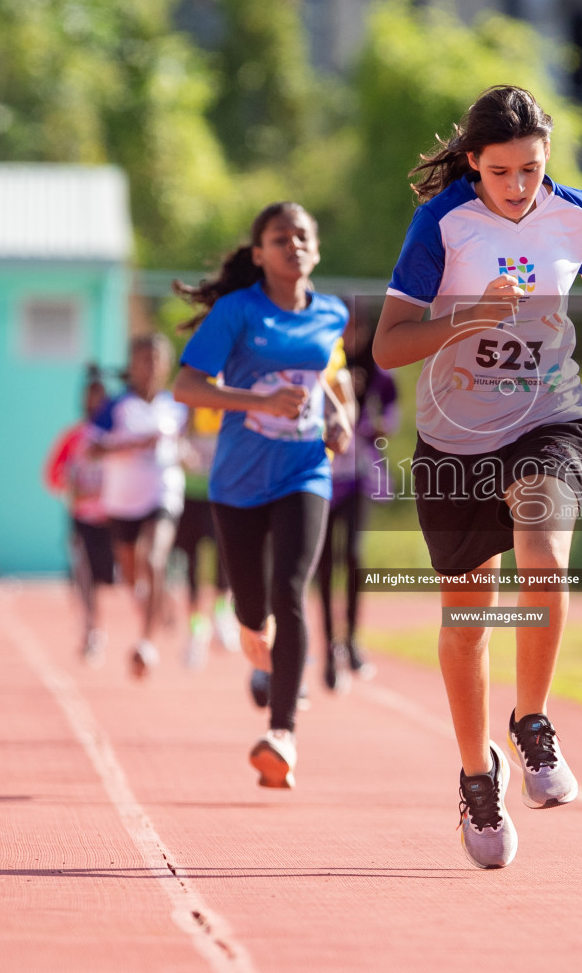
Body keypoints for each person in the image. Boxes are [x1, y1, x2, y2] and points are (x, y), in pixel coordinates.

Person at [373, 85, 582, 869]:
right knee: (468, 621)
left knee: (544, 550)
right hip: (455, 438)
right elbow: (389, 346)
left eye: (530, 168)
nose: (519, 187)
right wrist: (469, 316)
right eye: (500, 173)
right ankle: (474, 775)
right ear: (472, 165)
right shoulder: (443, 224)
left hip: (547, 418)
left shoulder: (580, 216)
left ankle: (533, 724)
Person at [172, 201, 352, 790]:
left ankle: (282, 733)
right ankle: (266, 656)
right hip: (238, 481)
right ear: (259, 254)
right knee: (254, 615)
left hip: (304, 471)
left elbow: (334, 380)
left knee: (291, 588)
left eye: (302, 236)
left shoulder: (331, 314)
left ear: (317, 249)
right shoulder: (237, 311)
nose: (292, 245)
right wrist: (257, 402)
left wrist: (341, 418)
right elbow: (187, 386)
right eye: (280, 238)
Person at [91, 334, 187, 679]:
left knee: (155, 558)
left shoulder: (177, 406)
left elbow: (186, 448)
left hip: (163, 494)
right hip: (122, 501)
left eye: (158, 359)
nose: (151, 366)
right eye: (145, 359)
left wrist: (186, 455)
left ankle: (146, 643)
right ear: (132, 365)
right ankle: (148, 602)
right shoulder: (115, 407)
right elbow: (91, 450)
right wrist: (131, 444)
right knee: (131, 574)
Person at [316, 305, 398, 692]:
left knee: (353, 555)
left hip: (358, 476)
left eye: (357, 328)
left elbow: (391, 418)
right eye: (345, 328)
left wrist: (376, 425)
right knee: (323, 561)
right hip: (321, 474)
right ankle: (329, 644)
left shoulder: (377, 370)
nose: (352, 335)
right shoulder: (323, 362)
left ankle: (351, 640)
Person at [42, 364, 115, 664]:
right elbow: (52, 476)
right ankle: (91, 630)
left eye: (100, 397)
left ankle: (151, 621)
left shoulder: (116, 436)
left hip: (114, 519)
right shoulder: (73, 437)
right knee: (84, 575)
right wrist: (74, 490)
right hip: (82, 518)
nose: (95, 402)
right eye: (90, 396)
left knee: (116, 577)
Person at [174, 400, 240, 669]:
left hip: (220, 495)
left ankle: (222, 615)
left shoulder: (229, 409)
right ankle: (195, 631)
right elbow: (174, 442)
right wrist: (182, 451)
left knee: (224, 558)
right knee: (192, 565)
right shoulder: (187, 412)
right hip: (190, 497)